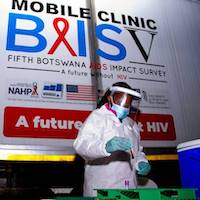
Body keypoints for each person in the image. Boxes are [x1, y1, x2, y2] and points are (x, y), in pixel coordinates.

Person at [73, 82, 151, 197]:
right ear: (110, 98)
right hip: (102, 189)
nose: (124, 107)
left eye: (127, 104)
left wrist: (141, 162)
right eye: (121, 102)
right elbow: (81, 145)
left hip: (129, 189)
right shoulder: (98, 117)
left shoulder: (131, 124)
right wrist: (105, 147)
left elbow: (136, 151)